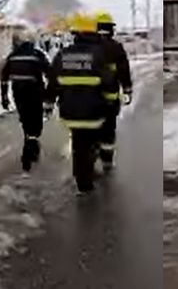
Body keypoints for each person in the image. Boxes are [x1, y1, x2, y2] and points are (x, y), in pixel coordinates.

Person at [46, 13, 111, 196]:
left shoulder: (63, 55)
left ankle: (82, 179)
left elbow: (53, 82)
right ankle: (86, 179)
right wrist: (110, 102)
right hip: (94, 112)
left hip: (70, 113)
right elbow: (109, 83)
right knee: (90, 143)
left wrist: (49, 103)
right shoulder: (99, 55)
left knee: (78, 144)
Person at [1, 29, 51, 172]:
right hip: (35, 94)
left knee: (26, 121)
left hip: (19, 95)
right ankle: (29, 150)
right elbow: (49, 73)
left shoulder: (12, 57)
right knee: (36, 123)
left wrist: (4, 97)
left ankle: (31, 145)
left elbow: (4, 78)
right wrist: (49, 94)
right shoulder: (37, 55)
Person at [95, 11, 133, 172]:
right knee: (108, 130)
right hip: (109, 99)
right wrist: (127, 90)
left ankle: (89, 152)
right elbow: (124, 71)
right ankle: (107, 162)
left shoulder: (87, 46)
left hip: (87, 98)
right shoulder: (116, 48)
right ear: (111, 29)